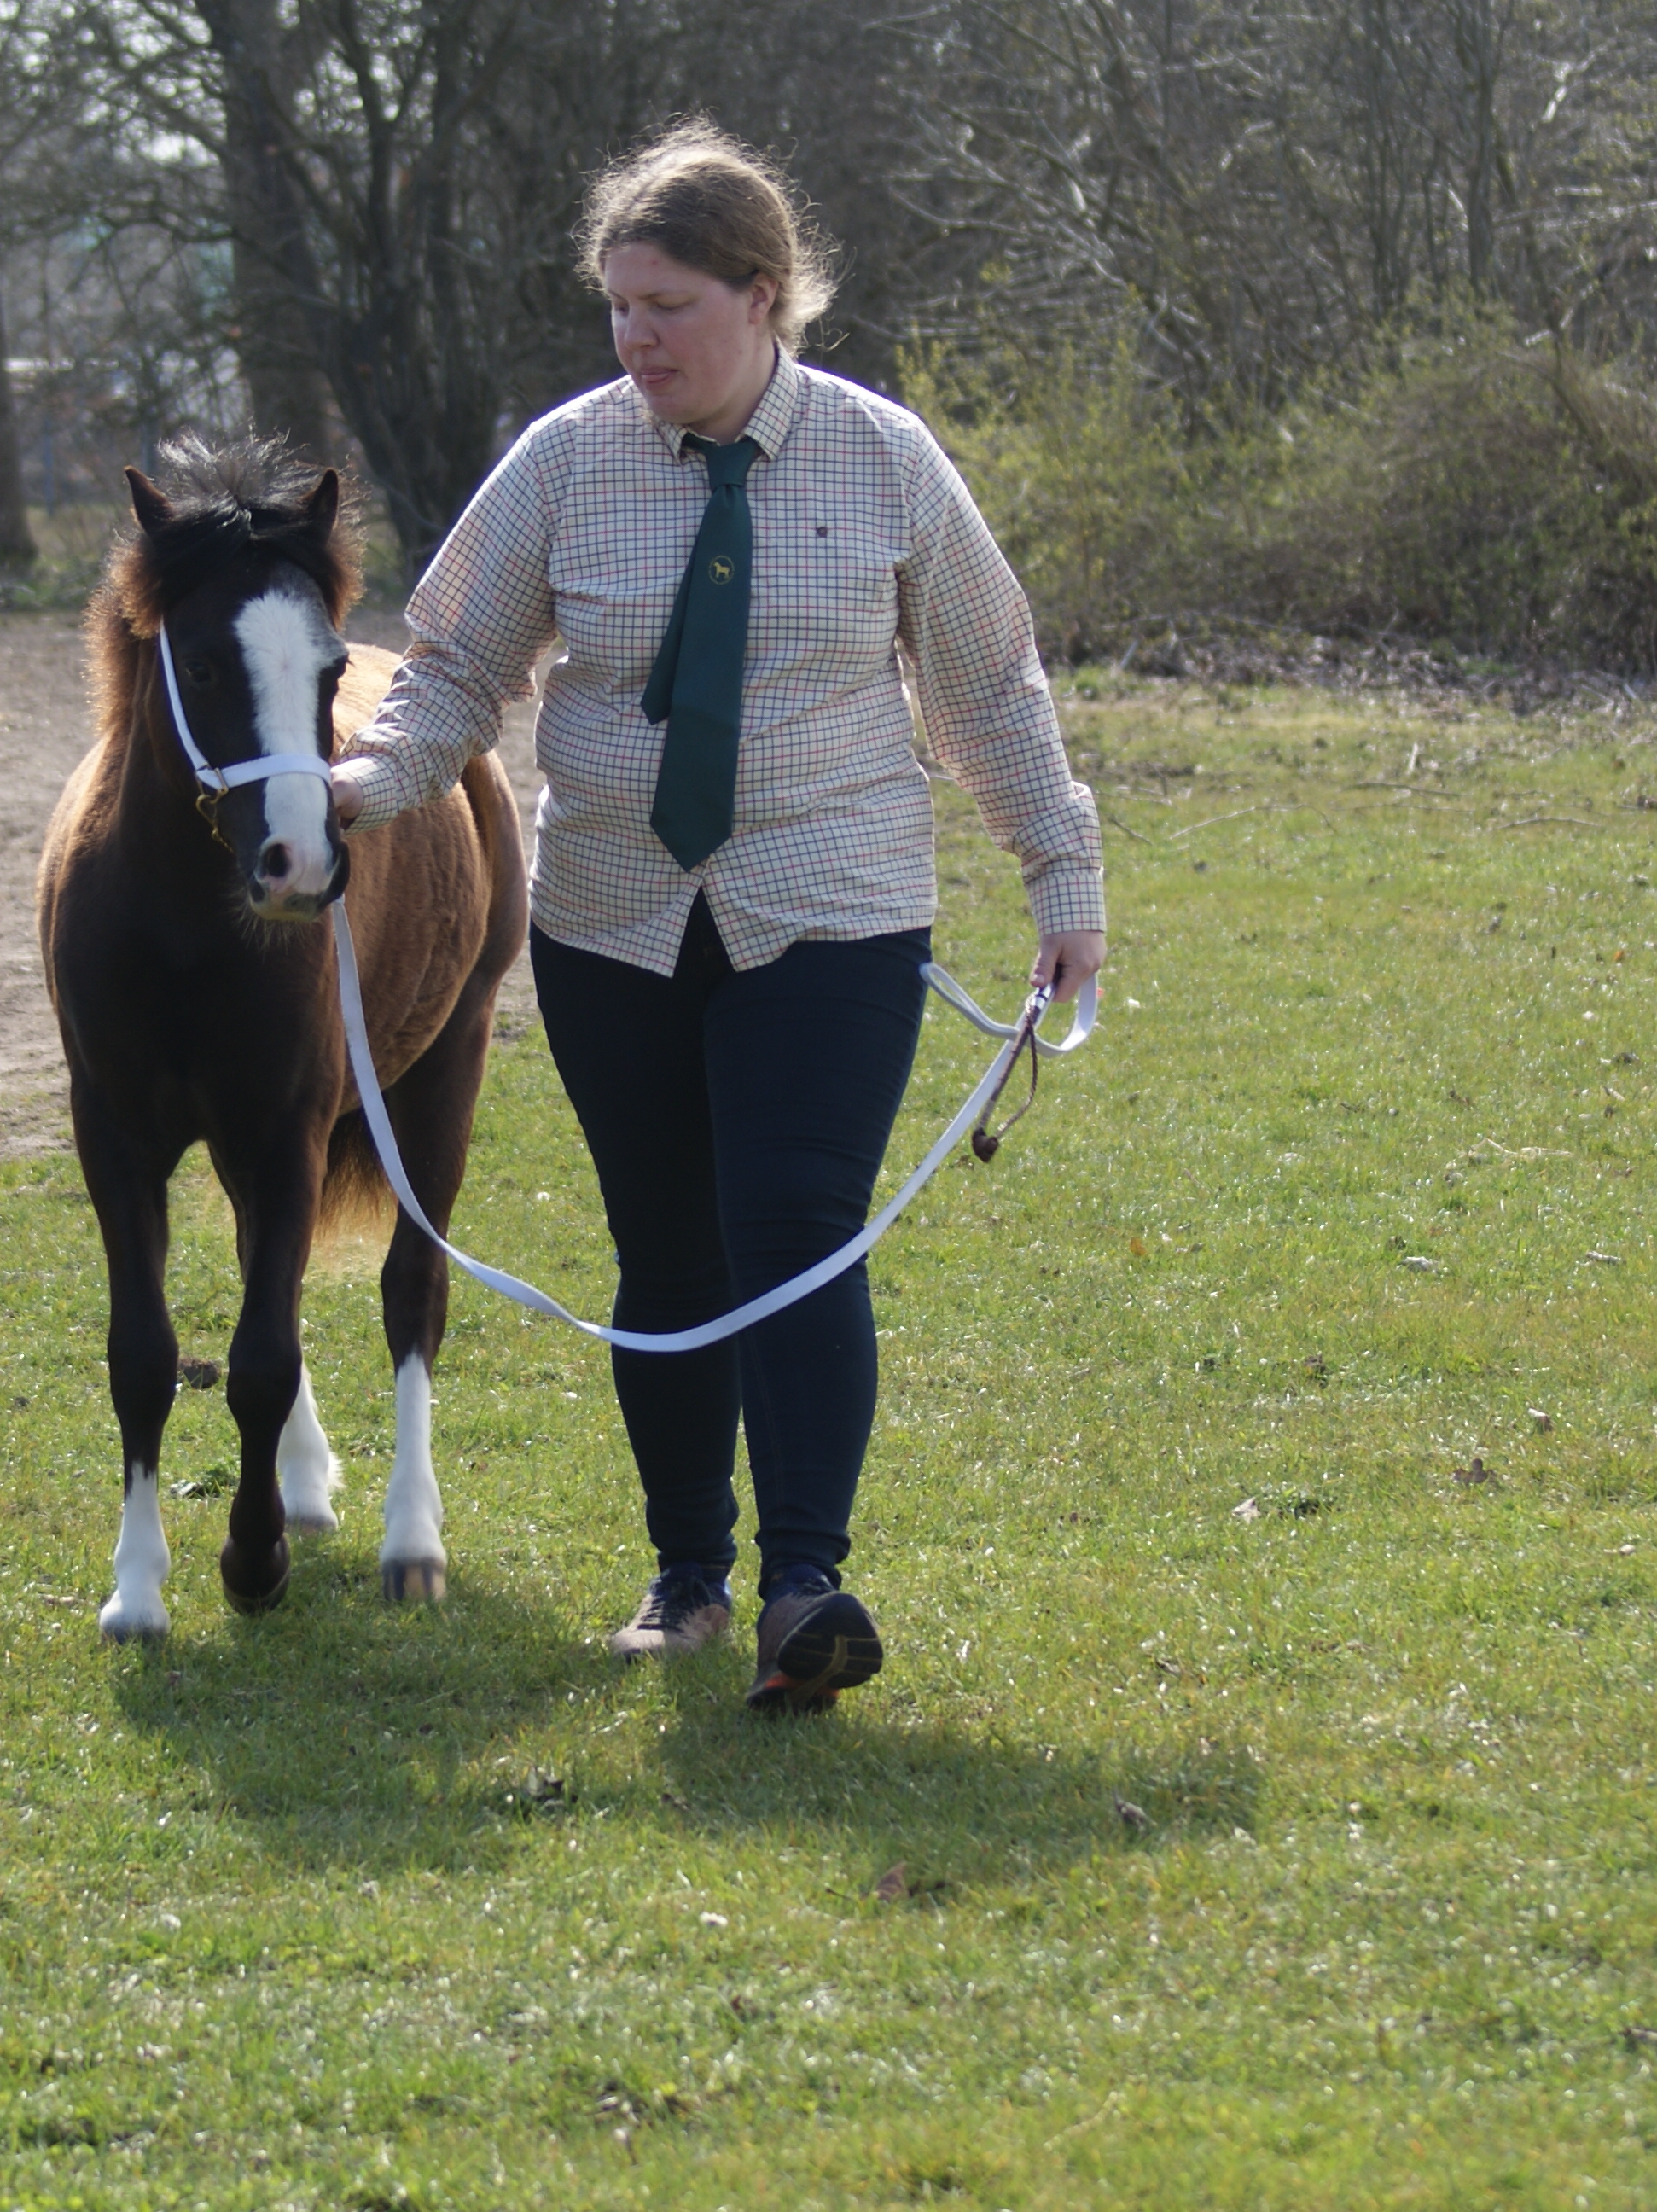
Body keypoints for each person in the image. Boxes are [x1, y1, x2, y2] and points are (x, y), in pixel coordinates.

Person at [329, 122, 1105, 1714]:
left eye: (668, 306)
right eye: (619, 306)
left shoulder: (886, 460)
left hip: (834, 911)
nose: (637, 338)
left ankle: (806, 1588)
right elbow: (457, 666)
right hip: (613, 917)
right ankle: (687, 1578)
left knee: (797, 1232)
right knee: (667, 1247)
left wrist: (1063, 874)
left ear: (763, 296)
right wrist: (367, 786)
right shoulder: (564, 463)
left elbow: (988, 684)